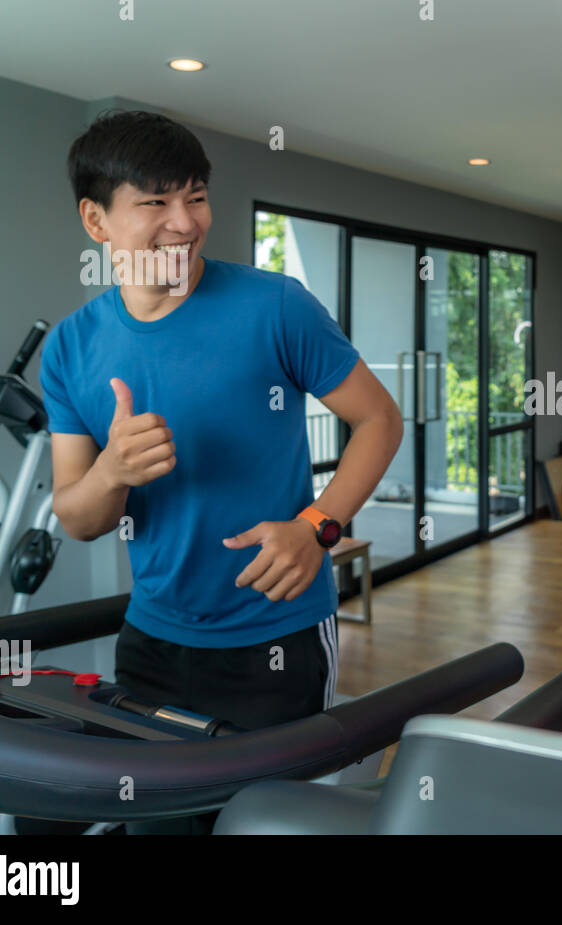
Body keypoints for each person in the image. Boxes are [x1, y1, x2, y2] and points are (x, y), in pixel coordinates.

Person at [41, 110, 403, 832]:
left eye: (196, 196)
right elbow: (76, 516)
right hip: (151, 641)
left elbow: (379, 420)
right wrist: (112, 470)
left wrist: (317, 525)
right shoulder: (70, 348)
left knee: (267, 825)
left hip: (276, 638)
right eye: (155, 202)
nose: (185, 222)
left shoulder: (275, 306)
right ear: (96, 219)